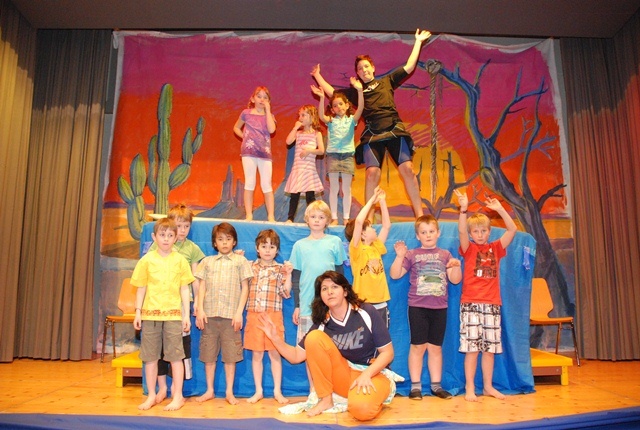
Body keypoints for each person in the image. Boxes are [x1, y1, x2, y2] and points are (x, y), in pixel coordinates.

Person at [311, 29, 432, 219]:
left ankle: (420, 216)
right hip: (372, 133)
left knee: (408, 170)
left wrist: (418, 42)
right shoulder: (356, 91)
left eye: (366, 66)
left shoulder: (387, 81)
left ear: (373, 68)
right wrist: (318, 76)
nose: (364, 70)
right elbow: (333, 93)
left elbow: (409, 66)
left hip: (393, 129)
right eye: (360, 69)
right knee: (372, 173)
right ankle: (367, 219)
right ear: (357, 73)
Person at [258, 271, 394, 421]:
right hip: (345, 376)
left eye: (334, 287)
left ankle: (372, 397)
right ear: (321, 296)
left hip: (373, 374)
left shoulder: (366, 311)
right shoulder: (322, 324)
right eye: (324, 289)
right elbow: (296, 357)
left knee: (362, 410)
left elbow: (387, 353)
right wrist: (275, 338)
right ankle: (326, 399)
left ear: (345, 291)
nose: (329, 292)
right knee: (313, 338)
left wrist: (367, 374)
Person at [389, 215, 462, 400]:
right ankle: (415, 386)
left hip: (439, 308)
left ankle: (436, 386)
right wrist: (399, 256)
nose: (428, 235)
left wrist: (455, 267)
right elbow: (395, 275)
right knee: (418, 346)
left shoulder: (445, 254)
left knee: (435, 347)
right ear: (417, 235)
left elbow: (455, 280)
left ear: (438, 233)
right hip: (418, 307)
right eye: (423, 232)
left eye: (431, 231)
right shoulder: (412, 254)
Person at [454, 189, 517, 402]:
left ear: (489, 232)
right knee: (472, 350)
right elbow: (461, 231)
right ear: (471, 234)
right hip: (471, 304)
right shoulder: (468, 249)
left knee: (489, 350)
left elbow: (512, 229)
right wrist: (463, 209)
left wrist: (500, 209)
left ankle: (488, 386)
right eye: (476, 231)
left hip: (492, 305)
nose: (480, 235)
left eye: (483, 231)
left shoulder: (495, 248)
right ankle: (470, 387)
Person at [131, 217, 194, 411]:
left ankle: (178, 396)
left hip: (173, 316)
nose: (166, 239)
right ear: (154, 237)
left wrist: (186, 315)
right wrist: (138, 312)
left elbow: (185, 288)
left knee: (176, 356)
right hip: (150, 316)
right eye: (162, 235)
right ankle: (152, 394)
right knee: (150, 357)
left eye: (170, 235)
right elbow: (141, 287)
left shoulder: (180, 260)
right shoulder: (146, 260)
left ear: (175, 238)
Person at [289, 200, 348, 398]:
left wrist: (343, 302)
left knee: (334, 348)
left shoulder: (334, 242)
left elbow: (340, 275)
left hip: (332, 307)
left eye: (321, 217)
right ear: (307, 219)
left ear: (327, 221)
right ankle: (314, 390)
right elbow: (296, 278)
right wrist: (298, 305)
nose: (316, 220)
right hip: (308, 306)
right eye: (313, 217)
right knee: (310, 349)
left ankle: (334, 389)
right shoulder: (299, 246)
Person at [148, 203, 205, 404]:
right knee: (159, 346)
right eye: (178, 226)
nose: (182, 231)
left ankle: (177, 389)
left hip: (181, 303)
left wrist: (197, 302)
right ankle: (162, 387)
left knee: (179, 346)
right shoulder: (158, 247)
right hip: (159, 303)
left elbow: (195, 278)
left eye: (186, 226)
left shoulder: (192, 248)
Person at [194, 222, 253, 405]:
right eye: (220, 239)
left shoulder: (240, 262)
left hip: (231, 317)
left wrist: (239, 313)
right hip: (209, 316)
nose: (224, 242)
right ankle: (209, 390)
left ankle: (229, 392)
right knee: (208, 355)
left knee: (230, 356)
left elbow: (245, 288)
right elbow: (201, 287)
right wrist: (200, 309)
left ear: (234, 241)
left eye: (228, 239)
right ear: (214, 243)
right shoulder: (207, 262)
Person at [245, 229, 293, 404]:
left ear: (277, 250)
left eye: (272, 247)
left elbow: (285, 293)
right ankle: (258, 390)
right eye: (264, 246)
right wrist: (239, 260)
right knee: (257, 354)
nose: (267, 250)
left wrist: (288, 274)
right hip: (254, 315)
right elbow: (241, 287)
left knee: (275, 353)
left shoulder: (280, 269)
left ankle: (277, 391)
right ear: (257, 248)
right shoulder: (250, 266)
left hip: (274, 315)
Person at [311, 77, 363, 226]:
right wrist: (321, 98)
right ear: (332, 109)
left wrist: (360, 91)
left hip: (347, 156)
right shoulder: (331, 121)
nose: (338, 107)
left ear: (347, 105)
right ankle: (334, 217)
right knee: (334, 188)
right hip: (333, 156)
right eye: (335, 105)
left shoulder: (351, 120)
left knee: (346, 188)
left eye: (341, 104)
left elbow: (360, 108)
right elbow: (321, 116)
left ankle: (346, 218)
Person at [343, 186, 391, 326]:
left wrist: (382, 201)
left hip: (381, 302)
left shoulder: (376, 247)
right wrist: (372, 199)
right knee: (363, 337)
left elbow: (387, 226)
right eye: (370, 227)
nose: (374, 229)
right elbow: (359, 221)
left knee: (382, 336)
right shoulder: (357, 249)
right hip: (363, 303)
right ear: (362, 233)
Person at [233, 86, 277, 222]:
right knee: (250, 182)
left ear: (268, 101)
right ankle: (249, 215)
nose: (262, 99)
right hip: (249, 153)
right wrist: (244, 138)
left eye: (265, 97)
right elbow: (236, 127)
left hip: (265, 154)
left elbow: (272, 130)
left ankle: (271, 216)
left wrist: (268, 111)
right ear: (253, 99)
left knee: (267, 184)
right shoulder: (246, 113)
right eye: (259, 96)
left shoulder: (270, 116)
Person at [284, 104, 325, 223]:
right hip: (298, 169)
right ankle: (290, 218)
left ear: (312, 117)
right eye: (299, 115)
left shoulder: (316, 134)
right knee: (294, 195)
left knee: (310, 196)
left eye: (303, 115)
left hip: (309, 170)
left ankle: (314, 218)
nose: (300, 118)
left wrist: (309, 151)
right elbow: (288, 141)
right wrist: (295, 128)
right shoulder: (298, 133)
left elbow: (321, 150)